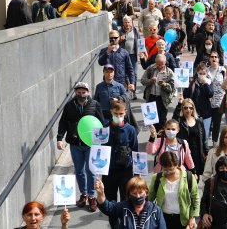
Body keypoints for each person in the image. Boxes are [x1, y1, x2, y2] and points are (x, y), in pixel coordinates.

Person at [56, 82, 105, 211]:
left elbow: (101, 122)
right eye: (78, 92)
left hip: (91, 144)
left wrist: (103, 141)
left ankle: (92, 196)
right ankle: (83, 194)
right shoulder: (69, 106)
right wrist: (59, 138)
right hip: (75, 144)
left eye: (83, 92)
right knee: (79, 171)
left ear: (88, 92)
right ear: (75, 93)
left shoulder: (95, 105)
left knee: (91, 171)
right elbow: (63, 122)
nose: (81, 94)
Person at [148, 151, 200, 229]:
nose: (168, 172)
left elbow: (195, 199)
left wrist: (192, 217)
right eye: (165, 170)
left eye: (171, 169)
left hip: (183, 219)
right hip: (163, 218)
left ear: (177, 165)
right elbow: (150, 199)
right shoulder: (157, 178)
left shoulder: (189, 177)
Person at [96, 176, 167, 229]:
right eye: (134, 193)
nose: (138, 196)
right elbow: (107, 207)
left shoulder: (155, 210)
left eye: (140, 192)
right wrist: (100, 193)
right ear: (129, 194)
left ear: (146, 192)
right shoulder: (123, 207)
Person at [174, 98, 207, 176]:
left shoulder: (199, 121)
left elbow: (204, 139)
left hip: (197, 154)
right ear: (182, 109)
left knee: (196, 177)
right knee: (185, 177)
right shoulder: (179, 121)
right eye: (185, 107)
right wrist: (179, 104)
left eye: (190, 108)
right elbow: (174, 119)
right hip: (184, 153)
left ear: (193, 109)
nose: (188, 110)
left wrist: (206, 152)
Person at [141, 54, 175, 130]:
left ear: (165, 62)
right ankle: (153, 139)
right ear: (155, 62)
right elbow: (143, 81)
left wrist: (164, 84)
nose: (159, 66)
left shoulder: (169, 72)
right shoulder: (151, 68)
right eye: (158, 64)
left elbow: (172, 89)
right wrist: (150, 80)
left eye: (162, 64)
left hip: (162, 100)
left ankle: (161, 139)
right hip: (151, 97)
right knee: (151, 123)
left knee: (162, 122)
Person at [118, 15, 142, 99]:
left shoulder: (135, 31)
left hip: (133, 55)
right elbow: (115, 42)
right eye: (125, 22)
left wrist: (142, 52)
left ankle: (133, 91)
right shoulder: (120, 31)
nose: (127, 24)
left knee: (134, 74)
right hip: (124, 55)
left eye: (128, 22)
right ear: (123, 23)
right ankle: (128, 91)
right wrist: (120, 39)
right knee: (126, 74)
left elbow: (140, 42)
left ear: (131, 23)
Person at [206, 52, 226, 142]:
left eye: (215, 57)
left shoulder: (223, 70)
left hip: (219, 102)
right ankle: (206, 142)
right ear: (209, 59)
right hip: (207, 102)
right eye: (212, 57)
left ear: (218, 59)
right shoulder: (206, 71)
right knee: (207, 124)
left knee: (216, 123)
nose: (214, 58)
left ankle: (214, 142)